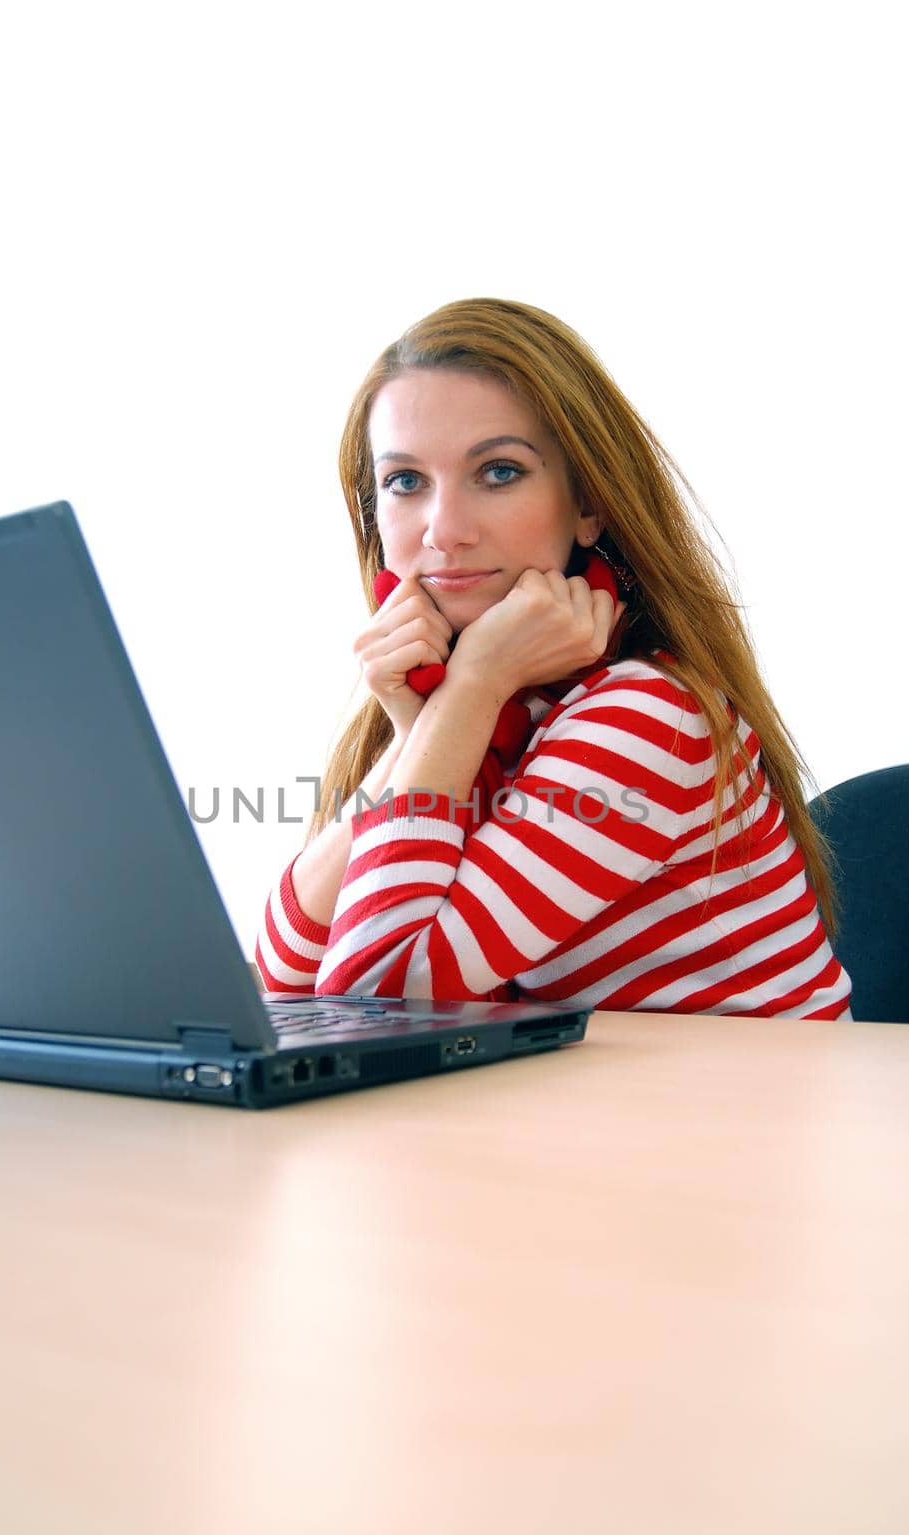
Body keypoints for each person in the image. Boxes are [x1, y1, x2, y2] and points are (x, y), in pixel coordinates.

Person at [255, 298, 852, 1019]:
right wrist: (422, 729)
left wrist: (471, 687)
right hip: (586, 1117)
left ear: (587, 505)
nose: (443, 531)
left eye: (498, 472)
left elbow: (374, 1003)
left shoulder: (644, 716)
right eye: (405, 482)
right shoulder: (485, 706)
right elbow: (282, 975)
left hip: (742, 1125)